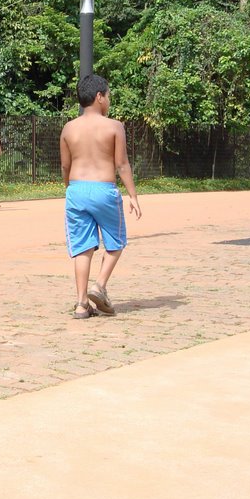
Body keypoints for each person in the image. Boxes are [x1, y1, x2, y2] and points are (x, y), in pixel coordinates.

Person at [59, 74, 141, 319]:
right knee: (116, 242)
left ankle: (82, 304)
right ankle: (100, 285)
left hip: (76, 190)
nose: (109, 100)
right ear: (99, 97)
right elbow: (122, 164)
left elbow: (65, 166)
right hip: (104, 190)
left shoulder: (68, 128)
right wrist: (133, 195)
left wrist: (70, 189)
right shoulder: (114, 126)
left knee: (83, 248)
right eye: (108, 95)